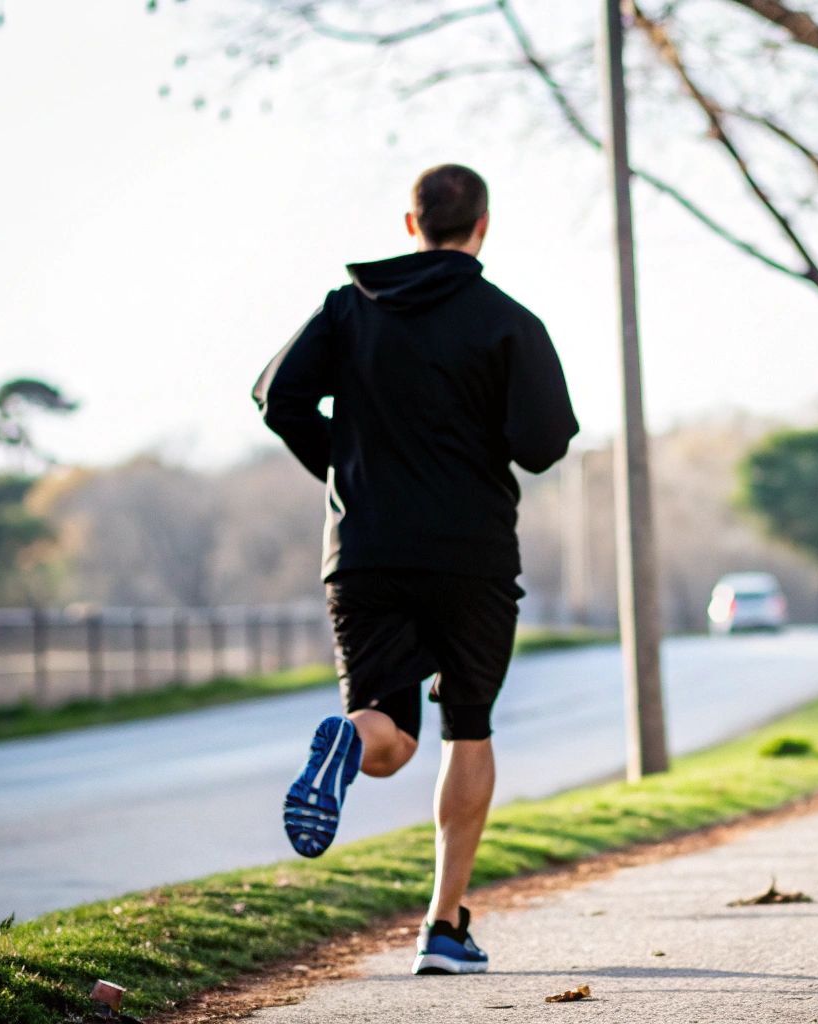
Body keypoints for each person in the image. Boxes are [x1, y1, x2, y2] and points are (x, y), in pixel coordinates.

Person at [252, 163, 577, 975]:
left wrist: (348, 470)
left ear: (411, 224)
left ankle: (346, 740)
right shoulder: (509, 323)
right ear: (483, 226)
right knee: (468, 725)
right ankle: (442, 926)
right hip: (470, 557)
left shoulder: (346, 309)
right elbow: (544, 445)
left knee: (387, 732)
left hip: (366, 552)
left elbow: (276, 397)